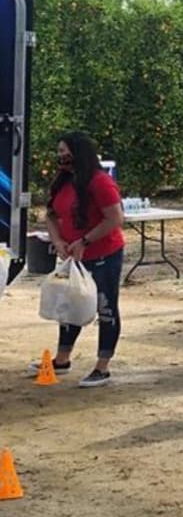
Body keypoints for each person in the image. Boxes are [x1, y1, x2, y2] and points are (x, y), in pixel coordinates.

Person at [27, 132, 126, 388]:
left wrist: (85, 240)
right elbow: (51, 215)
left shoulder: (100, 182)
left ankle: (102, 367)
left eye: (65, 151)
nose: (61, 157)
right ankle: (62, 358)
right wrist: (58, 240)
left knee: (105, 307)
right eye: (59, 152)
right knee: (69, 304)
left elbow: (115, 218)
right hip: (74, 256)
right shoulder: (64, 181)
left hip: (103, 254)